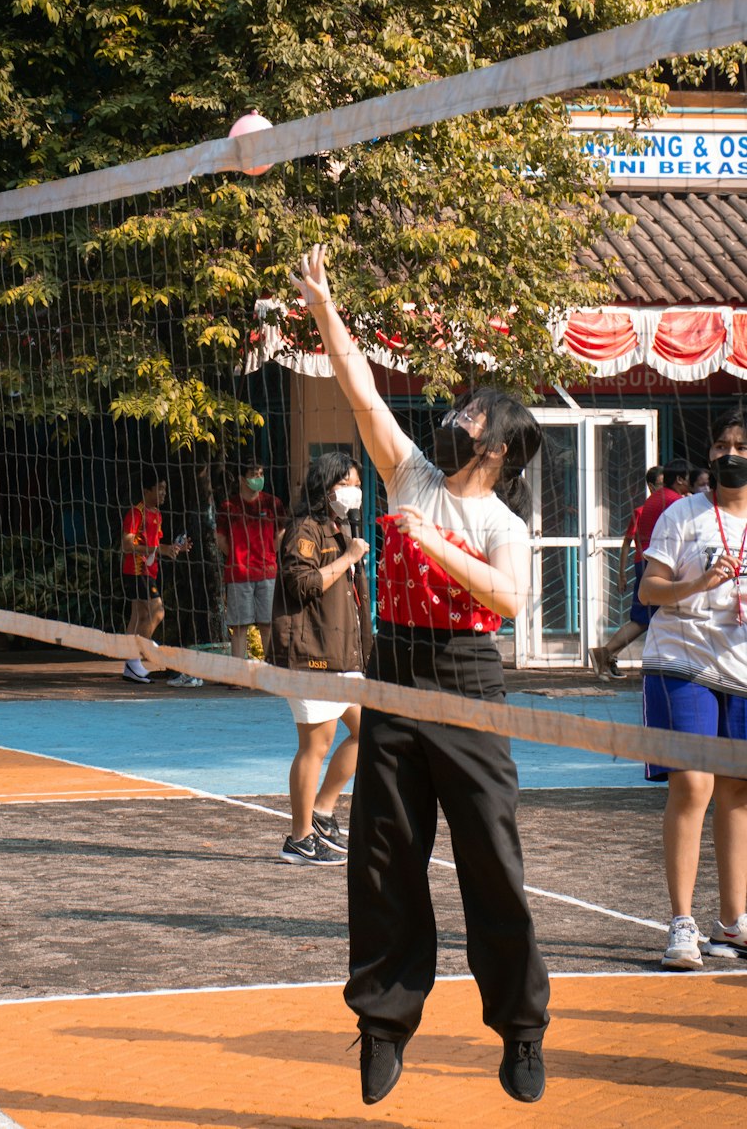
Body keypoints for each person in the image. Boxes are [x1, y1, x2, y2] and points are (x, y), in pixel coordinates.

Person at [289, 245, 549, 1108]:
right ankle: (382, 1027)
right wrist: (326, 308)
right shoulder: (410, 471)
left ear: (502, 444)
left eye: (474, 414)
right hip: (393, 671)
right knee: (383, 861)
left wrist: (432, 541)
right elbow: (362, 390)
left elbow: (508, 599)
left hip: (468, 681)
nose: (458, 417)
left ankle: (518, 1032)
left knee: (492, 863)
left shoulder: (504, 522)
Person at [639, 407, 747, 971]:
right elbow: (650, 591)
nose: (731, 454)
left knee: (738, 789)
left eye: (742, 445)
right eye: (722, 444)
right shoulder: (682, 515)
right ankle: (682, 923)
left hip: (743, 665)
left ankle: (733, 922)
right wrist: (700, 581)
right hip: (682, 659)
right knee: (695, 784)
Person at [269, 452, 371, 866]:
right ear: (327, 487)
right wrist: (348, 559)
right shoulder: (304, 530)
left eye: (356, 482)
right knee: (317, 743)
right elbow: (301, 584)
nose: (355, 490)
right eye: (348, 482)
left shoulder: (339, 527)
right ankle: (299, 837)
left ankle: (323, 813)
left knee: (371, 732)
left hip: (342, 653)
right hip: (311, 653)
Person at [591, 459, 690, 680]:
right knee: (650, 618)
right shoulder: (674, 501)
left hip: (646, 562)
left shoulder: (655, 499)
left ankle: (606, 654)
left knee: (643, 619)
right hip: (655, 565)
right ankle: (606, 653)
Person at [120, 468, 196, 686]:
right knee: (157, 612)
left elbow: (156, 546)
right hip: (136, 570)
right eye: (160, 489)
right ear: (147, 490)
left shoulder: (158, 515)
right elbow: (127, 544)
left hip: (148, 571)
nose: (164, 494)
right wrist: (162, 549)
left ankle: (131, 665)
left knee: (138, 616)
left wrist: (174, 548)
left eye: (165, 489)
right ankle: (136, 658)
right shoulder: (137, 513)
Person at [216, 460, 286, 661]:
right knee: (239, 627)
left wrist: (269, 553)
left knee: (268, 624)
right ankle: (238, 676)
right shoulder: (228, 506)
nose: (259, 479)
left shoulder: (273, 503)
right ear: (241, 478)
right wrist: (237, 556)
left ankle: (273, 673)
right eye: (254, 475)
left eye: (261, 474)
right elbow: (220, 538)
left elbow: (281, 532)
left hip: (267, 573)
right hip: (238, 574)